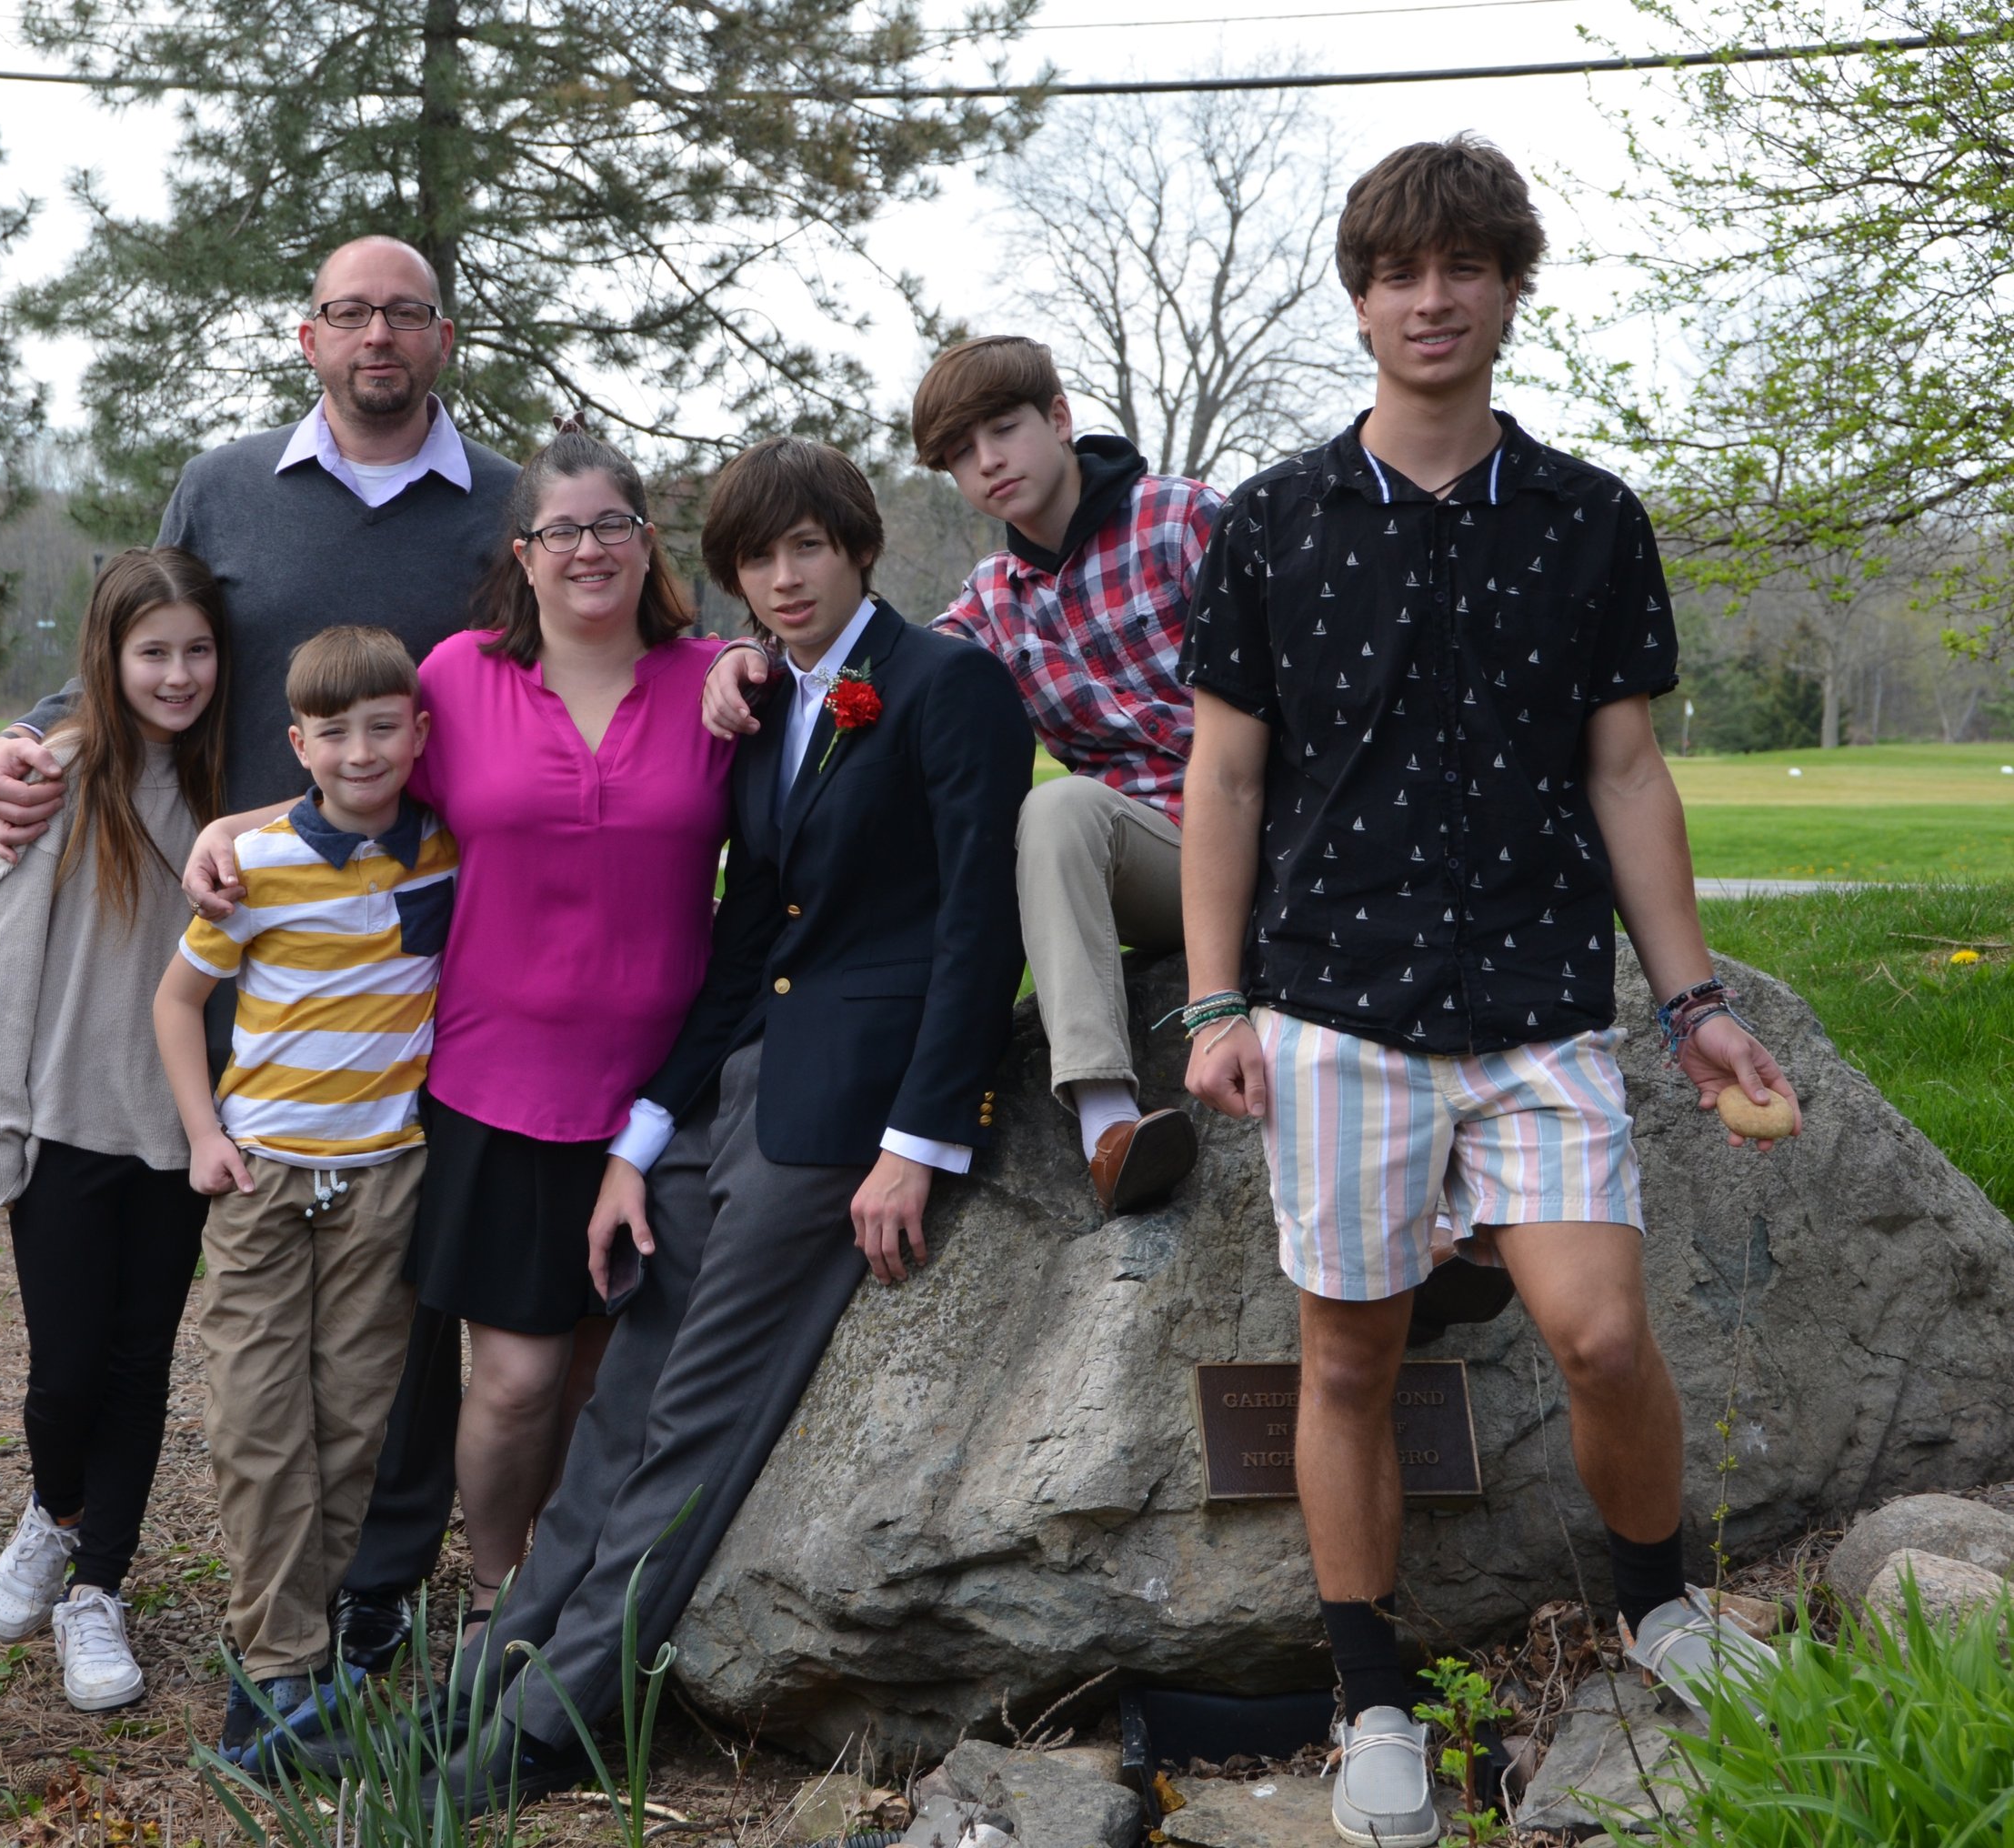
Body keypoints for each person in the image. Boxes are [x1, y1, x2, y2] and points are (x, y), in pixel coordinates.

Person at [1176, 135, 1802, 1848]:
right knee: (1347, 1362)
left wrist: (1692, 1004)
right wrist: (1215, 1004)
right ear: (1360, 300)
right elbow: (1223, 778)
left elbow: (1626, 770)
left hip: (1538, 1009)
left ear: (1512, 288)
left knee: (1601, 1331)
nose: (1431, 298)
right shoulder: (1272, 523)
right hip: (1336, 1010)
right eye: (1399, 272)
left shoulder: (1590, 518)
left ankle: (1659, 1607)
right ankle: (1371, 1697)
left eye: (1464, 267)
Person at [405, 437, 1030, 1815]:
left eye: (807, 547)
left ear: (859, 546)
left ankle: (546, 1730)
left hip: (844, 1118)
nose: (784, 577)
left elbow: (980, 929)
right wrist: (641, 1141)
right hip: (729, 1094)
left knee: (691, 1424)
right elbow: (746, 939)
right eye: (757, 556)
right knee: (613, 1410)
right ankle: (468, 1700)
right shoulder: (765, 704)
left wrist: (918, 1142)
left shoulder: (949, 686)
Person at [0, 235, 522, 1675]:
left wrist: (724, 667)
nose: (377, 335)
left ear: (444, 335)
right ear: (307, 337)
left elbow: (589, 658)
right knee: (202, 1309)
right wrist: (21, 737)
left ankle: (370, 1587)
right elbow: (141, 644)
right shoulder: (225, 487)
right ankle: (105, 1538)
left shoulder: (509, 506)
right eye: (350, 313)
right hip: (231, 948)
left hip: (414, 968)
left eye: (405, 313)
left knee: (392, 1321)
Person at [183, 425, 735, 1716]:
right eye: (561, 531)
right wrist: (234, 829)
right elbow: (353, 789)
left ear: (647, 541)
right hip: (495, 1085)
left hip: (664, 1091)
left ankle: (570, 1589)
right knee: (518, 1379)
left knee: (603, 1374)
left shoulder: (713, 682)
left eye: (612, 526)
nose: (588, 550)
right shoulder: (461, 677)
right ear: (522, 553)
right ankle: (493, 1596)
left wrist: (754, 655)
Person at [703, 336, 1219, 1216]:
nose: (988, 461)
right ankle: (1110, 1126)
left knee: (1057, 809)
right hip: (1146, 862)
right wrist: (743, 654)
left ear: (1060, 418)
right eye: (959, 453)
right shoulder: (991, 600)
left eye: (1004, 430)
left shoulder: (1184, 521)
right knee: (1057, 813)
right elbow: (882, 663)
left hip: (1256, 839)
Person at [152, 625, 457, 1760]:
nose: (361, 751)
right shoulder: (257, 863)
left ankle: (303, 1643)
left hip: (385, 1175)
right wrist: (204, 1135)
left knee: (352, 1420)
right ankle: (275, 1664)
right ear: (298, 745)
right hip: (263, 1176)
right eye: (334, 733)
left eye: (382, 727)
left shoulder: (448, 852)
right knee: (256, 1417)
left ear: (418, 733)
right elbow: (176, 1002)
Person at [0, 547, 232, 1712]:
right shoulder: (56, 777)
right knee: (65, 1371)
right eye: (152, 652)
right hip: (65, 1122)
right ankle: (53, 1509)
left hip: (177, 1127)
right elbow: (3, 963)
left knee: (137, 1362)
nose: (177, 675)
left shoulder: (234, 789)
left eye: (198, 650)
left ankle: (98, 1586)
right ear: (105, 659)